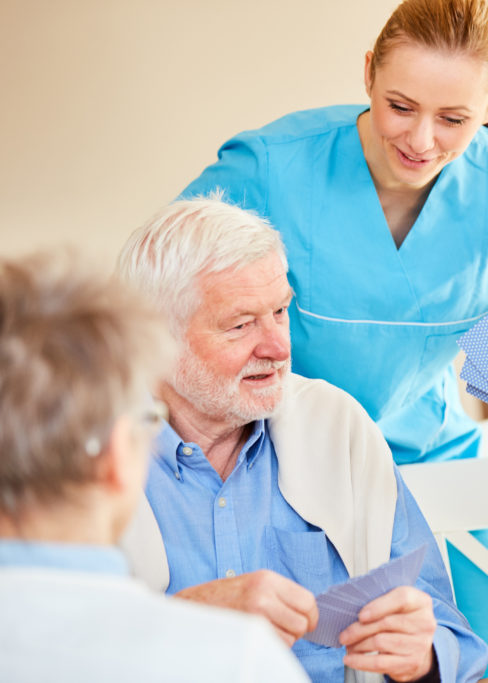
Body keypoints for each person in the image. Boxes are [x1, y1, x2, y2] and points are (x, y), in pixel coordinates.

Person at [179, 0, 488, 670]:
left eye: (454, 119)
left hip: (430, 450)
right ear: (367, 75)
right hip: (283, 460)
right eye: (400, 106)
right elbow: (160, 293)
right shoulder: (273, 167)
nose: (422, 140)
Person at [116, 196, 487, 683]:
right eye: (241, 324)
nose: (278, 347)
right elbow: (39, 647)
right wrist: (179, 618)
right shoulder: (81, 456)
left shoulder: (337, 426)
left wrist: (421, 656)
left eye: (280, 312)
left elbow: (447, 631)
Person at [0, 252, 309, 682]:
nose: (277, 346)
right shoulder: (237, 659)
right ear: (114, 458)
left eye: (280, 312)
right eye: (146, 421)